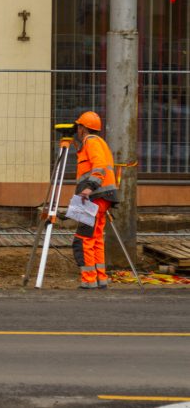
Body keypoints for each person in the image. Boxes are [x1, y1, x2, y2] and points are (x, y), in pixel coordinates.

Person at [72, 111, 120, 290]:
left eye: (78, 126)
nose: (77, 129)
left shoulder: (90, 142)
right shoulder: (99, 142)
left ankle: (88, 279)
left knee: (83, 238)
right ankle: (100, 278)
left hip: (94, 195)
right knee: (96, 237)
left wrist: (89, 187)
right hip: (103, 197)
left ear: (83, 128)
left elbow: (98, 166)